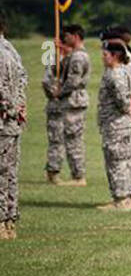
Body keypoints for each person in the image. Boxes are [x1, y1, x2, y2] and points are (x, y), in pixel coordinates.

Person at [42, 24, 90, 186]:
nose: (64, 38)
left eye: (67, 36)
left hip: (72, 102)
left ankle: (78, 176)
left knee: (73, 139)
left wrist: (58, 93)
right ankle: (54, 171)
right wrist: (56, 53)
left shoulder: (78, 57)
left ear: (75, 36)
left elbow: (72, 81)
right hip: (64, 103)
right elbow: (54, 72)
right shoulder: (70, 55)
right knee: (59, 138)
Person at [95, 40, 131, 212]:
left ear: (115, 56)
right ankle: (125, 198)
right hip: (121, 123)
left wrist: (127, 108)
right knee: (123, 161)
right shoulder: (124, 71)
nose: (103, 58)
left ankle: (121, 200)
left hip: (116, 124)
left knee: (116, 162)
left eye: (106, 55)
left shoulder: (115, 74)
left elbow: (122, 100)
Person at [0, 13, 26, 240]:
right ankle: (9, 222)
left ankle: (3, 223)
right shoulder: (12, 50)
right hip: (13, 120)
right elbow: (24, 80)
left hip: (5, 120)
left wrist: (11, 108)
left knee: (3, 173)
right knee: (9, 173)